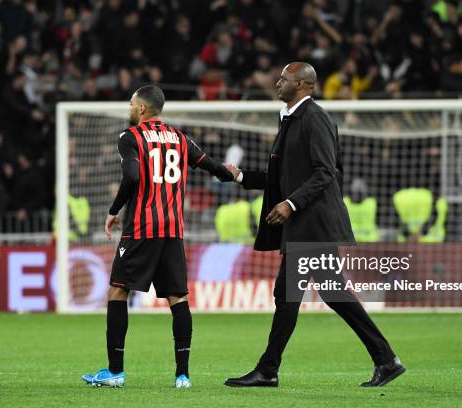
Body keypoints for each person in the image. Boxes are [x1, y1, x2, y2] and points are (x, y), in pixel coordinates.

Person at [224, 62, 404, 388]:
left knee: (291, 294)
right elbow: (281, 179)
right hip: (306, 223)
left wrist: (291, 204)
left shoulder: (315, 118)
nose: (277, 83)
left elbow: (326, 172)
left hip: (313, 223)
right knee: (329, 293)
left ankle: (268, 369)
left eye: (284, 79)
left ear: (305, 85)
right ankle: (386, 359)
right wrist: (240, 176)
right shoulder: (292, 121)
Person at [81, 85, 233, 388]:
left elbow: (133, 176)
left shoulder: (130, 137)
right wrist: (234, 175)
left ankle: (115, 372)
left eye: (131, 103)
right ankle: (183, 375)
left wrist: (114, 209)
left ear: (141, 109)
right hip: (173, 229)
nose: (128, 107)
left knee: (118, 292)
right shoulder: (180, 138)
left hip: (141, 228)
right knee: (178, 298)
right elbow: (213, 167)